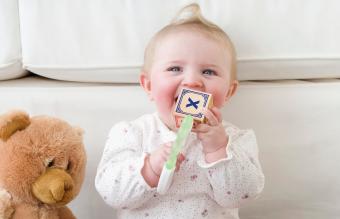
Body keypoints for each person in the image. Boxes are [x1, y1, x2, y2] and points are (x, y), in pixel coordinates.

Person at [95, 3, 264, 219]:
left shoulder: (237, 139)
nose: (193, 81)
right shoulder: (131, 133)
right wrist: (149, 169)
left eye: (208, 71)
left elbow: (243, 195)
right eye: (175, 69)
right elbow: (110, 192)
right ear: (148, 86)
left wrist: (218, 150)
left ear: (229, 92)